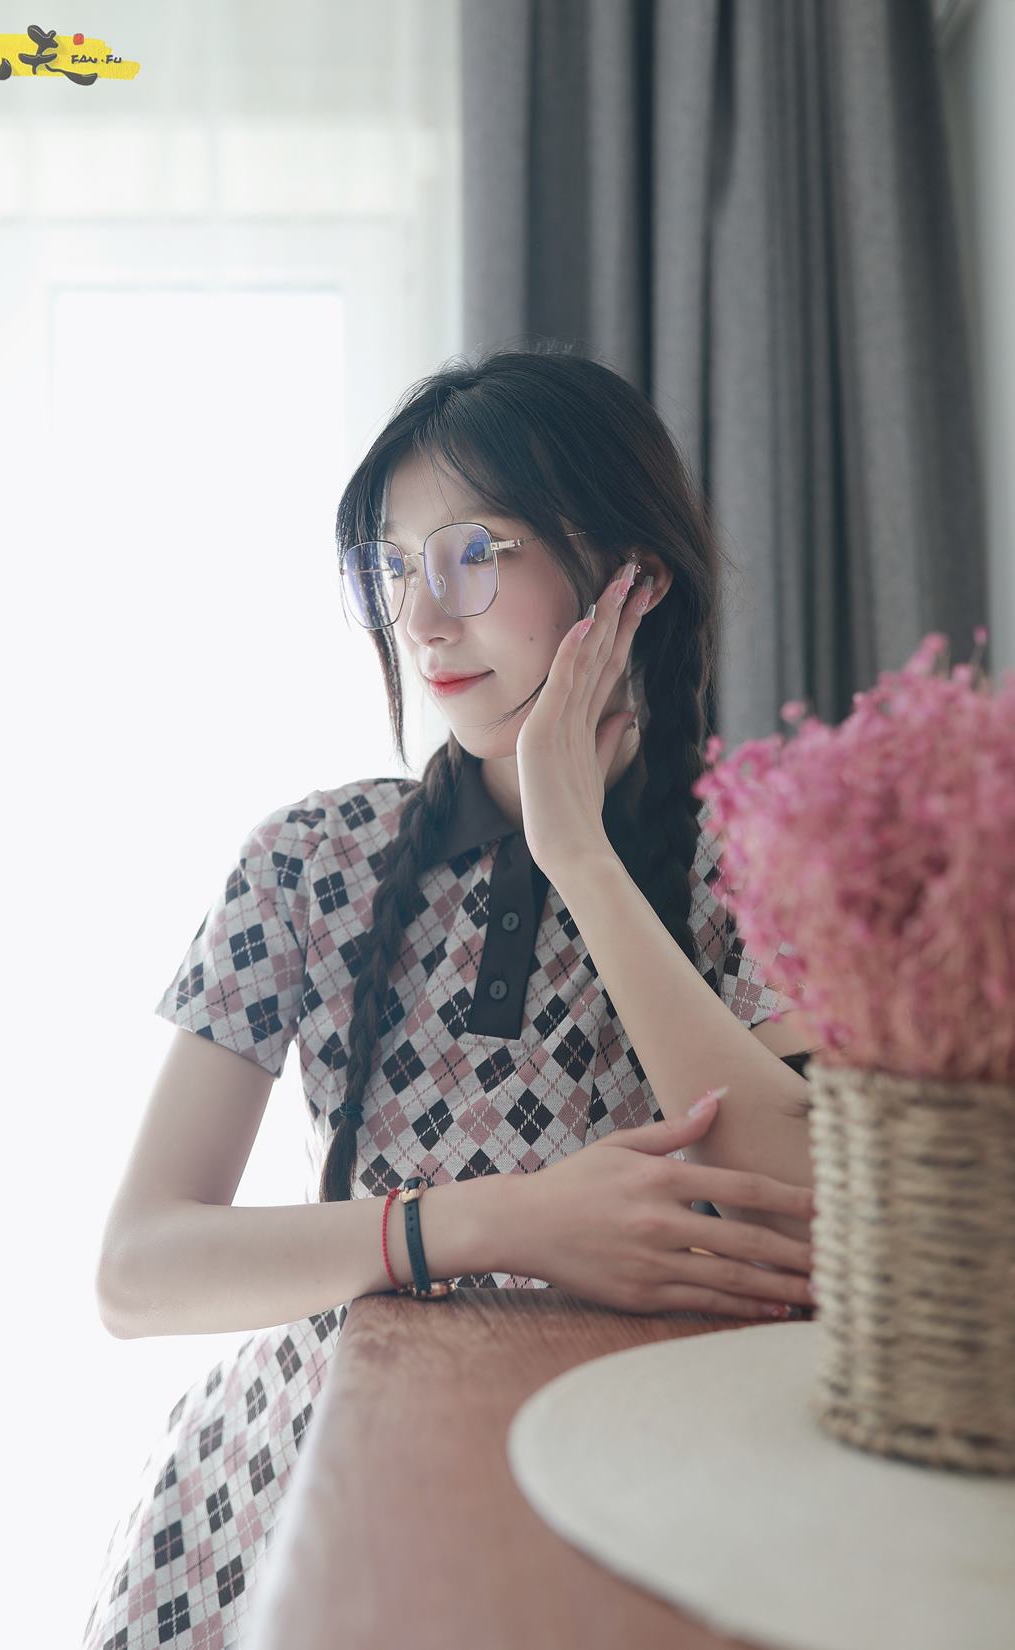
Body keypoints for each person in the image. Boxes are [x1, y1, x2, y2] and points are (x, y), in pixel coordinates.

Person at [80, 342, 822, 1650]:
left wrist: (576, 850)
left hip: (643, 1490)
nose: (421, 619)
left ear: (630, 575)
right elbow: (136, 1271)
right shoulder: (309, 857)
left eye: (472, 554)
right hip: (291, 1489)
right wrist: (501, 1221)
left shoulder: (765, 853)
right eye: (392, 567)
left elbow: (821, 1206)